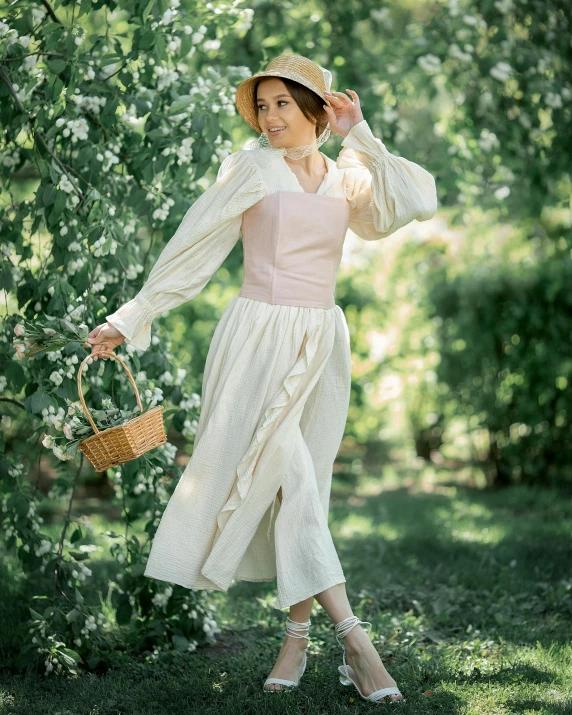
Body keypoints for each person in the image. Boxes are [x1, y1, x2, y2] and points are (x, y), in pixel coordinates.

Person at [86, 53, 437, 703]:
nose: (269, 117)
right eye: (263, 104)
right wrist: (132, 316)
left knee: (304, 489)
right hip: (254, 339)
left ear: (316, 112)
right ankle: (357, 642)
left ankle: (296, 640)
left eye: (283, 104)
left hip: (322, 342)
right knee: (293, 476)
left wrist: (361, 133)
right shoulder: (251, 168)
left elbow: (414, 199)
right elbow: (195, 244)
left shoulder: (345, 176)